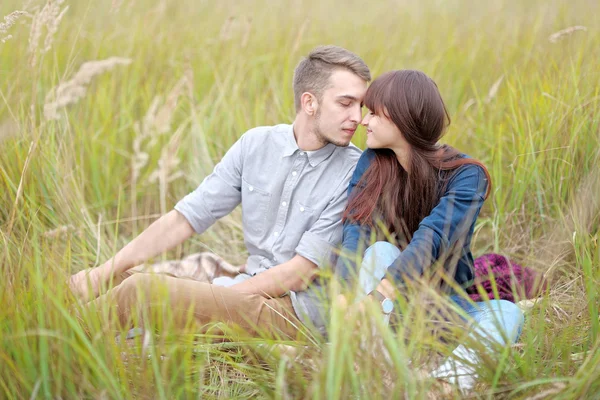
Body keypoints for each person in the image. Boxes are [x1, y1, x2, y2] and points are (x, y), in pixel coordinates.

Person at [68, 45, 370, 339]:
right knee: (117, 279)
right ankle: (58, 326)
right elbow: (185, 218)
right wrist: (103, 271)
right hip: (248, 286)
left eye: (361, 105)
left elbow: (300, 272)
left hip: (293, 311)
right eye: (346, 103)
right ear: (309, 102)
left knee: (142, 292)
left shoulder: (355, 172)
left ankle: (60, 341)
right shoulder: (256, 145)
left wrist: (215, 298)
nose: (357, 117)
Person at [304, 70, 525, 390]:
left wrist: (378, 294)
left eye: (375, 114)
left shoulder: (466, 175)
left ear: (402, 120)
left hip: (440, 306)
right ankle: (371, 362)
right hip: (386, 311)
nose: (364, 121)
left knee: (508, 313)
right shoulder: (373, 161)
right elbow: (356, 230)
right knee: (380, 250)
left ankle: (444, 386)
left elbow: (432, 239)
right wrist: (346, 292)